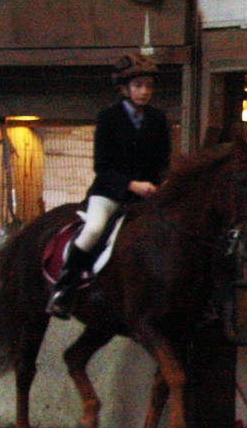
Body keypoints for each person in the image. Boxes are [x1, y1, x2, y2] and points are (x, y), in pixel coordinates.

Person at [48, 55, 171, 318]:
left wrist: (164, 182)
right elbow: (102, 167)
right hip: (110, 193)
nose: (144, 91)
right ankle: (63, 290)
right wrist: (132, 185)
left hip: (146, 196)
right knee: (93, 229)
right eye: (138, 86)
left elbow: (163, 161)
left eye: (148, 86)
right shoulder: (108, 118)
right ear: (125, 88)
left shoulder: (158, 119)